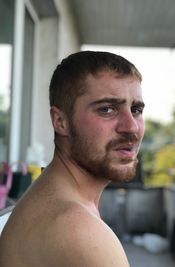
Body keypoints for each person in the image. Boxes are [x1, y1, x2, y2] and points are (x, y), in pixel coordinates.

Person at [0, 51, 145, 267]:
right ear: (60, 121)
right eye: (107, 109)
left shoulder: (48, 196)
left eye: (136, 110)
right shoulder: (78, 230)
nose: (131, 127)